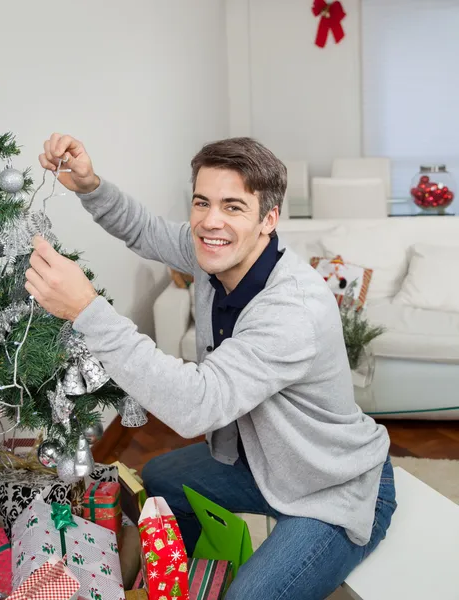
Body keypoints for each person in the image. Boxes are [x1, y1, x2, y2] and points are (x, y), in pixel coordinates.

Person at [28, 133, 396, 600]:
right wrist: (89, 185)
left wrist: (87, 310)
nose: (209, 221)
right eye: (201, 202)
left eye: (233, 206)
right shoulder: (214, 255)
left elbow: (196, 405)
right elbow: (145, 230)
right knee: (161, 480)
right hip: (261, 463)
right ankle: (186, 580)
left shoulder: (293, 309)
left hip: (331, 482)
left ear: (269, 219)